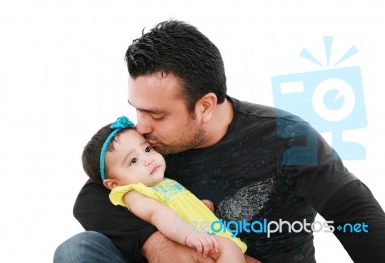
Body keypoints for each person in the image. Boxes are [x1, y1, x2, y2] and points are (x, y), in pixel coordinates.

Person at [54, 20, 385, 263]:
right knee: (78, 250)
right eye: (137, 111)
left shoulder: (286, 136)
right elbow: (90, 198)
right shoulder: (146, 147)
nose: (142, 128)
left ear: (205, 107)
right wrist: (157, 244)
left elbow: (355, 212)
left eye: (156, 116)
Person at [80, 115, 255, 263]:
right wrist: (188, 236)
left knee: (235, 252)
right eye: (133, 161)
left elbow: (176, 204)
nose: (148, 159)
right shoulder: (133, 194)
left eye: (147, 149)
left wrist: (198, 205)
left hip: (207, 237)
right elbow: (158, 214)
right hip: (191, 243)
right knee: (227, 248)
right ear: (114, 184)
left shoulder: (162, 182)